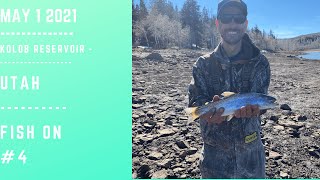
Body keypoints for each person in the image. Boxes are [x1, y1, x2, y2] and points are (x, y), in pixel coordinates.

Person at [187, 0, 271, 178]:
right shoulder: (202, 64)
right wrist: (205, 110)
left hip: (251, 157)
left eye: (238, 18)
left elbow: (261, 101)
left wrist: (256, 111)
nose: (233, 24)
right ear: (218, 23)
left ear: (245, 24)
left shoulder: (260, 63)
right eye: (226, 18)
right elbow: (195, 100)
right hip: (214, 158)